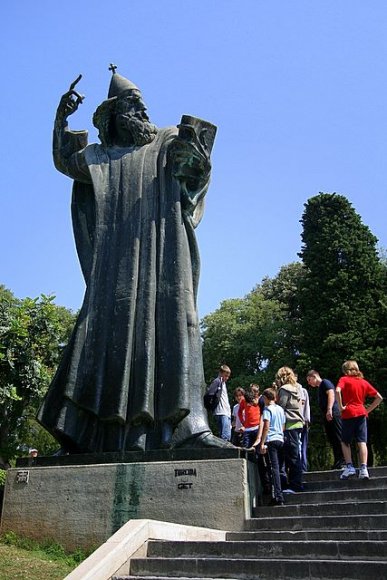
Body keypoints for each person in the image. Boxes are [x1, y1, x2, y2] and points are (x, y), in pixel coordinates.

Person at [38, 67, 225, 452]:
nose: (141, 111)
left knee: (178, 324)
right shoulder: (100, 156)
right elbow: (64, 162)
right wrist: (61, 119)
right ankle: (88, 434)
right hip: (115, 265)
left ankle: (190, 427)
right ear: (114, 113)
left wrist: (197, 157)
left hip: (165, 252)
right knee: (104, 337)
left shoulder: (167, 138)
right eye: (132, 105)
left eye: (142, 104)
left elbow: (196, 171)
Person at [336, 360, 383, 480]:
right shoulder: (363, 382)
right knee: (362, 441)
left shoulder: (344, 379)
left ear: (346, 370)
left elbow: (337, 390)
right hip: (361, 413)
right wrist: (368, 410)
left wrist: (341, 406)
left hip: (348, 413)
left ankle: (350, 467)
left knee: (345, 441)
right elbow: (379, 397)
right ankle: (363, 469)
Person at [307, 370, 345, 469]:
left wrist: (329, 409)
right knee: (332, 438)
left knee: (338, 436)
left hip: (333, 413)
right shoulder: (320, 388)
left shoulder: (325, 382)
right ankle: (338, 460)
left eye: (309, 379)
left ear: (314, 376)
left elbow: (331, 394)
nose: (309, 383)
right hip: (327, 415)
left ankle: (344, 460)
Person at [276, 366, 304, 493]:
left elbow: (281, 408)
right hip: (298, 423)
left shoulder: (283, 389)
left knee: (292, 457)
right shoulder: (298, 388)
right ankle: (296, 483)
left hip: (288, 424)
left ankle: (295, 485)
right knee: (295, 455)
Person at [258, 388, 286, 506]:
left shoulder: (267, 409)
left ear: (266, 398)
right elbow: (283, 425)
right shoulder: (280, 409)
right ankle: (281, 491)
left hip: (271, 440)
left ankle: (278, 496)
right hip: (280, 439)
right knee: (279, 467)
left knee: (273, 468)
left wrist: (262, 442)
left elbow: (266, 426)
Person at [211, 365, 232, 441]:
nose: (227, 378)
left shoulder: (223, 383)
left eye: (228, 376)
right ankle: (224, 452)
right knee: (225, 437)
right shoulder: (217, 381)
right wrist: (211, 406)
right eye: (225, 376)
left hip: (226, 413)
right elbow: (209, 394)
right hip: (222, 413)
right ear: (220, 373)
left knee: (226, 436)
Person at [300, 385, 310, 472]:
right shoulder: (303, 390)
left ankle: (303, 469)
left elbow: (305, 406)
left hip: (301, 422)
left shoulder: (302, 390)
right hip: (303, 421)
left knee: (302, 447)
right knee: (302, 447)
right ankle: (302, 468)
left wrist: (306, 420)